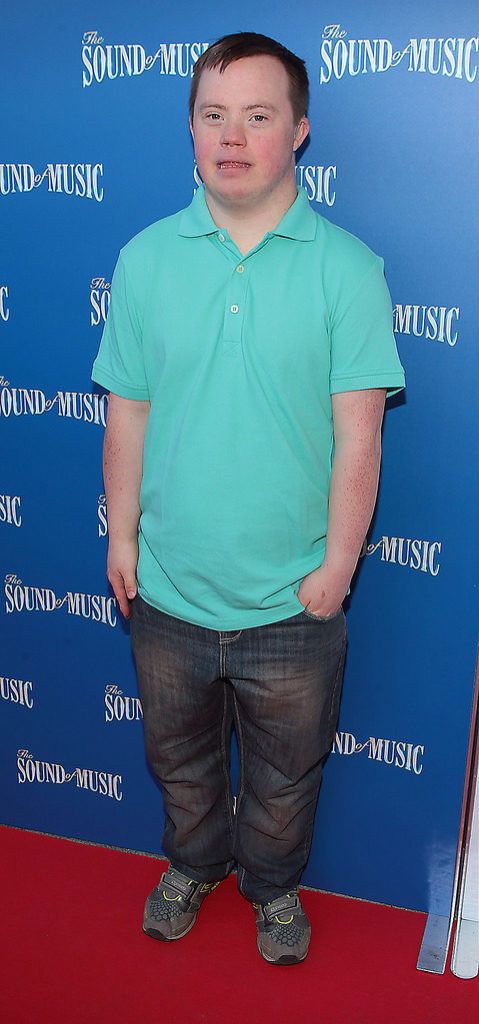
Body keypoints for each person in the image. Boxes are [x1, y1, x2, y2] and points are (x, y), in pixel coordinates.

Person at [91, 30, 405, 966]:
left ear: (298, 132)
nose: (232, 136)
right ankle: (191, 865)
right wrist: (123, 540)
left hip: (293, 606)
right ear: (190, 128)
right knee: (179, 769)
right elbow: (129, 414)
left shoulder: (348, 269)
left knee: (283, 779)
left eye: (257, 116)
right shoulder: (146, 259)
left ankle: (272, 891)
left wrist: (335, 572)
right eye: (213, 115)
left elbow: (361, 433)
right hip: (167, 593)